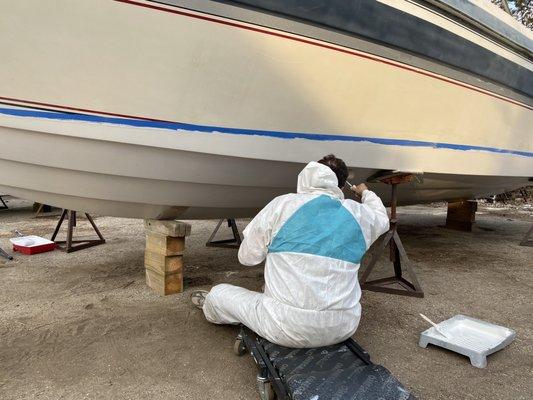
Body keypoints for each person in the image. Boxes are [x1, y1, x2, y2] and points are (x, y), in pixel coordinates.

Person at [190, 154, 389, 348]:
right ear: (340, 185)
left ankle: (210, 305)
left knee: (219, 294)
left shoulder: (282, 204)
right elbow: (382, 218)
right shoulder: (359, 214)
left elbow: (247, 258)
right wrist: (365, 193)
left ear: (307, 176)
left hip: (285, 327)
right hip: (343, 326)